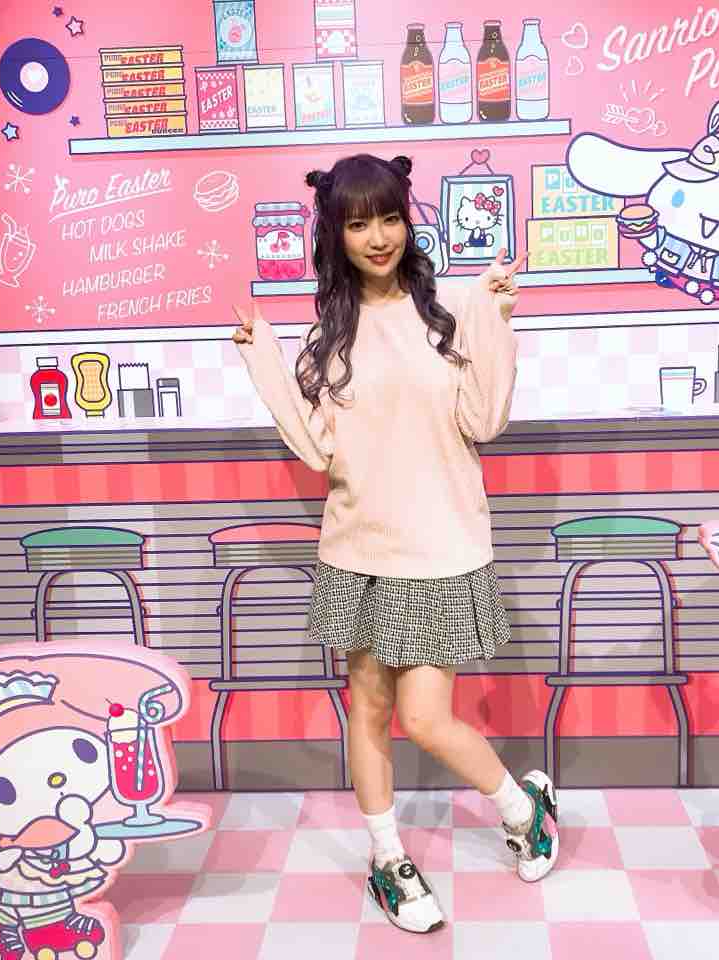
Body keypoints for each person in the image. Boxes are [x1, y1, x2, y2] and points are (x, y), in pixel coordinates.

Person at [232, 153, 556, 934]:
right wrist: (264, 356)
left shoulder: (447, 316)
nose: (377, 236)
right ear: (334, 235)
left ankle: (524, 807)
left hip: (440, 548)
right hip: (357, 550)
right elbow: (317, 451)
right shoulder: (327, 339)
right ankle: (387, 857)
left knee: (426, 718)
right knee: (369, 710)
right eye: (357, 223)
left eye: (388, 217)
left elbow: (485, 421)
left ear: (408, 222)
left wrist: (494, 317)